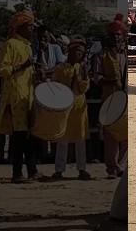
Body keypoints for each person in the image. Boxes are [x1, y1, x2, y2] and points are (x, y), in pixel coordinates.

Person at [0, 10, 43, 183]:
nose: (32, 29)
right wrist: (22, 66)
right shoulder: (11, 44)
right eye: (29, 26)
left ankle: (32, 170)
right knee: (19, 136)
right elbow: (2, 70)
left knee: (29, 135)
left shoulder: (28, 45)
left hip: (27, 95)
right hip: (15, 95)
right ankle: (17, 173)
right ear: (20, 27)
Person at [52, 36, 91, 180]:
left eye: (81, 52)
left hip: (79, 106)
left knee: (80, 139)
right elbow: (55, 85)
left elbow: (84, 88)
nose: (79, 54)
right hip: (64, 107)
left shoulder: (82, 68)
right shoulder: (61, 68)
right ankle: (59, 169)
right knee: (62, 139)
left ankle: (82, 169)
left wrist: (84, 76)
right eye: (77, 51)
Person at [98, 16, 128, 178]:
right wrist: (109, 81)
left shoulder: (126, 54)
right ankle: (111, 167)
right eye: (114, 35)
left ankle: (121, 166)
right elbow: (96, 77)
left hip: (125, 97)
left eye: (119, 35)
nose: (117, 38)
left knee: (126, 134)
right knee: (110, 134)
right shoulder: (102, 56)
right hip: (109, 98)